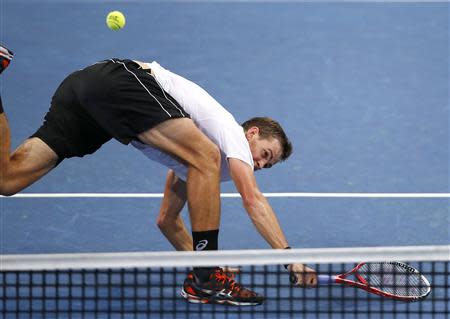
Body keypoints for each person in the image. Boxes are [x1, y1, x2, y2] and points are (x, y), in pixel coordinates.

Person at [0, 45, 317, 306]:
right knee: (205, 157)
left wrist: (199, 262)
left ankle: (202, 278)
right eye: (266, 154)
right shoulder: (230, 135)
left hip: (88, 96)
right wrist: (292, 260)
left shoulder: (195, 163)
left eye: (269, 164)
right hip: (118, 81)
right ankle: (206, 280)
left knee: (8, 180)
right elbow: (252, 199)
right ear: (252, 133)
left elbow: (166, 219)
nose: (262, 164)